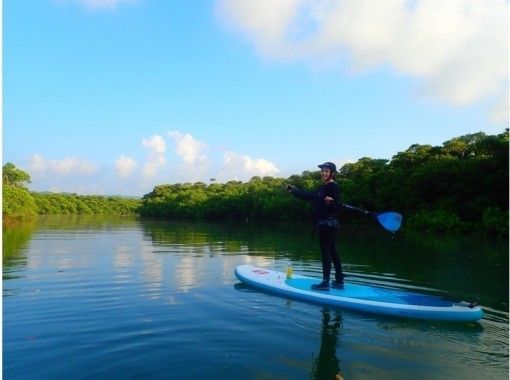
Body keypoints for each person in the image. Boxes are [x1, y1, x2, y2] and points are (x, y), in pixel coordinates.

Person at [287, 162, 344, 290]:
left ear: (332, 173)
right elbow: (309, 196)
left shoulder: (333, 187)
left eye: (326, 171)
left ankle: (325, 283)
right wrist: (293, 191)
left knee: (326, 253)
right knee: (333, 251)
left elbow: (337, 207)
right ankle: (339, 280)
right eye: (322, 171)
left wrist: (332, 203)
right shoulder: (322, 188)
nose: (323, 173)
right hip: (327, 224)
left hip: (328, 224)